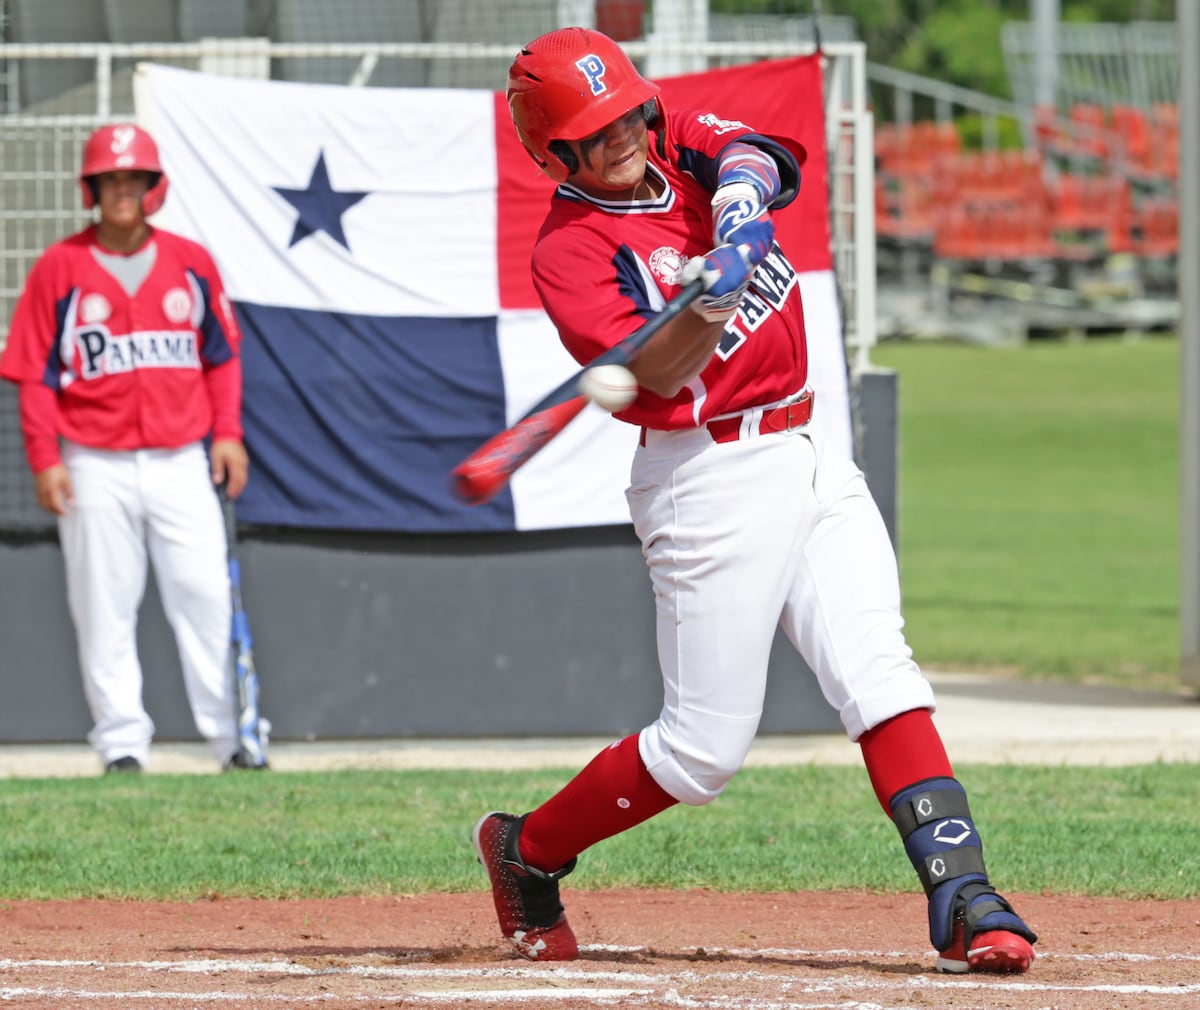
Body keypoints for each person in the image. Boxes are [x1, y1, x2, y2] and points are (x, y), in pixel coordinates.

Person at [473, 28, 1037, 975]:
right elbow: (655, 380)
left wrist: (737, 206)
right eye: (593, 130)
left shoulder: (670, 142)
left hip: (811, 443)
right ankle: (526, 852)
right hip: (707, 479)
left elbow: (759, 152)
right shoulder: (570, 252)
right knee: (702, 753)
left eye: (625, 114)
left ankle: (965, 894)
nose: (620, 136)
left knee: (879, 671)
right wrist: (703, 304)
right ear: (554, 150)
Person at [0, 123, 258, 775]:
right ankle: (121, 744)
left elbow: (221, 358)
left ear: (152, 187)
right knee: (102, 603)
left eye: (133, 179)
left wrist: (227, 432)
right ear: (93, 188)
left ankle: (234, 738)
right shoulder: (60, 266)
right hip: (93, 460)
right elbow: (34, 373)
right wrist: (44, 456)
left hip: (180, 458)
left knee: (204, 596)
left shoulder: (191, 261)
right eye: (111, 179)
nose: (122, 190)